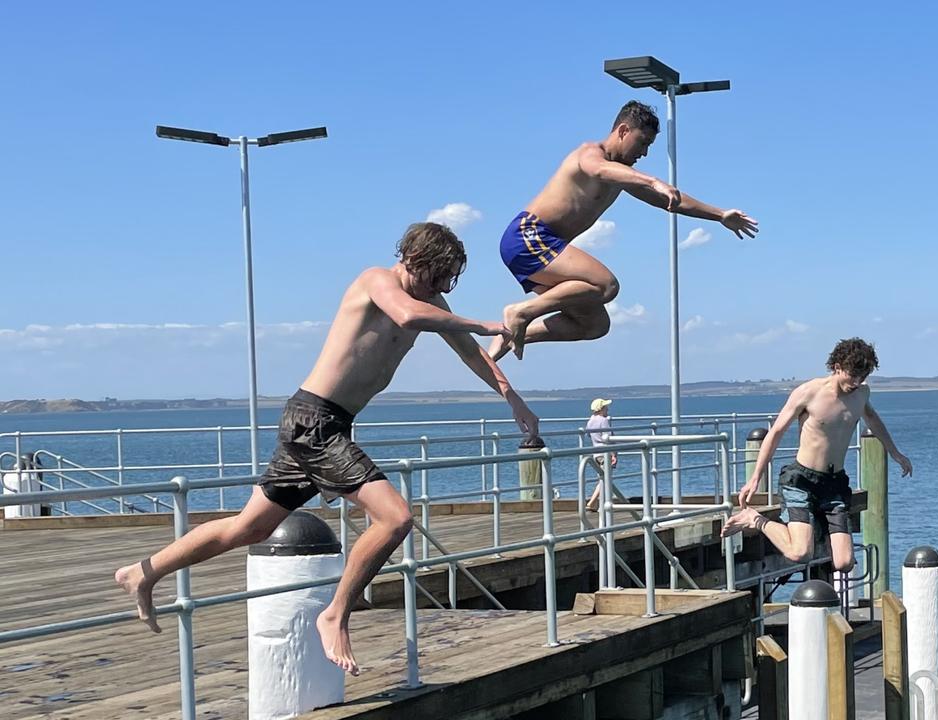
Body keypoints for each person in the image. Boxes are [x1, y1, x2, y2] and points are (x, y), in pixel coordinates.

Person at [114, 222, 539, 676]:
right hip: (314, 421)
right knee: (395, 518)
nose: (440, 288)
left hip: (326, 424)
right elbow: (407, 316)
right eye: (438, 277)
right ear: (415, 260)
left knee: (248, 528)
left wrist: (515, 401)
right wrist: (489, 321)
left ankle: (144, 570)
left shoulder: (433, 302)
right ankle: (335, 614)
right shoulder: (377, 280)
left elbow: (472, 354)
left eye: (448, 281)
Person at [489, 101, 758, 361]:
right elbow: (599, 169)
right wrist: (653, 180)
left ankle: (507, 335)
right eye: (643, 143)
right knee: (606, 285)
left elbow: (672, 202)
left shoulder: (622, 175)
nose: (644, 153)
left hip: (544, 247)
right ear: (623, 131)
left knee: (594, 325)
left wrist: (720, 215)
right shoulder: (589, 154)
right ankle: (521, 312)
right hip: (528, 236)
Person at [720, 338, 912, 572]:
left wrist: (895, 452)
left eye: (862, 377)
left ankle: (814, 526)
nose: (856, 382)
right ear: (837, 367)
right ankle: (755, 519)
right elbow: (776, 432)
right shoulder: (808, 392)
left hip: (835, 484)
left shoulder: (861, 394)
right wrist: (755, 477)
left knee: (844, 563)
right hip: (801, 482)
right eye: (852, 375)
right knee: (800, 552)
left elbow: (872, 418)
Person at [584, 397, 618, 512]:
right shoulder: (604, 421)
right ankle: (593, 503)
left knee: (602, 478)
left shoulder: (590, 421)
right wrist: (614, 454)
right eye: (605, 407)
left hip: (596, 453)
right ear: (601, 409)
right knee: (605, 479)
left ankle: (598, 503)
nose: (607, 409)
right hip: (605, 453)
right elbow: (608, 438)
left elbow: (588, 435)